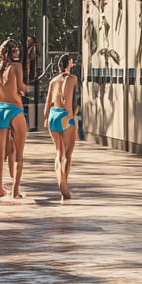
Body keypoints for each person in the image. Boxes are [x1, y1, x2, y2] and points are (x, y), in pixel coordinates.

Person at [0, 39, 28, 198]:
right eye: (16, 50)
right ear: (13, 52)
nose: (18, 53)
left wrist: (2, 97)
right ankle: (15, 191)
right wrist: (24, 90)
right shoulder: (16, 67)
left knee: (0, 152)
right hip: (15, 110)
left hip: (0, 110)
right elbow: (21, 88)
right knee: (19, 154)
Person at [43, 54, 79, 200]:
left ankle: (61, 180)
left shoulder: (53, 81)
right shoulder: (73, 79)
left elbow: (48, 101)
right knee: (68, 155)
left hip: (53, 115)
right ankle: (63, 184)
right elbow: (73, 98)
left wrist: (46, 118)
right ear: (69, 63)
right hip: (67, 116)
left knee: (59, 153)